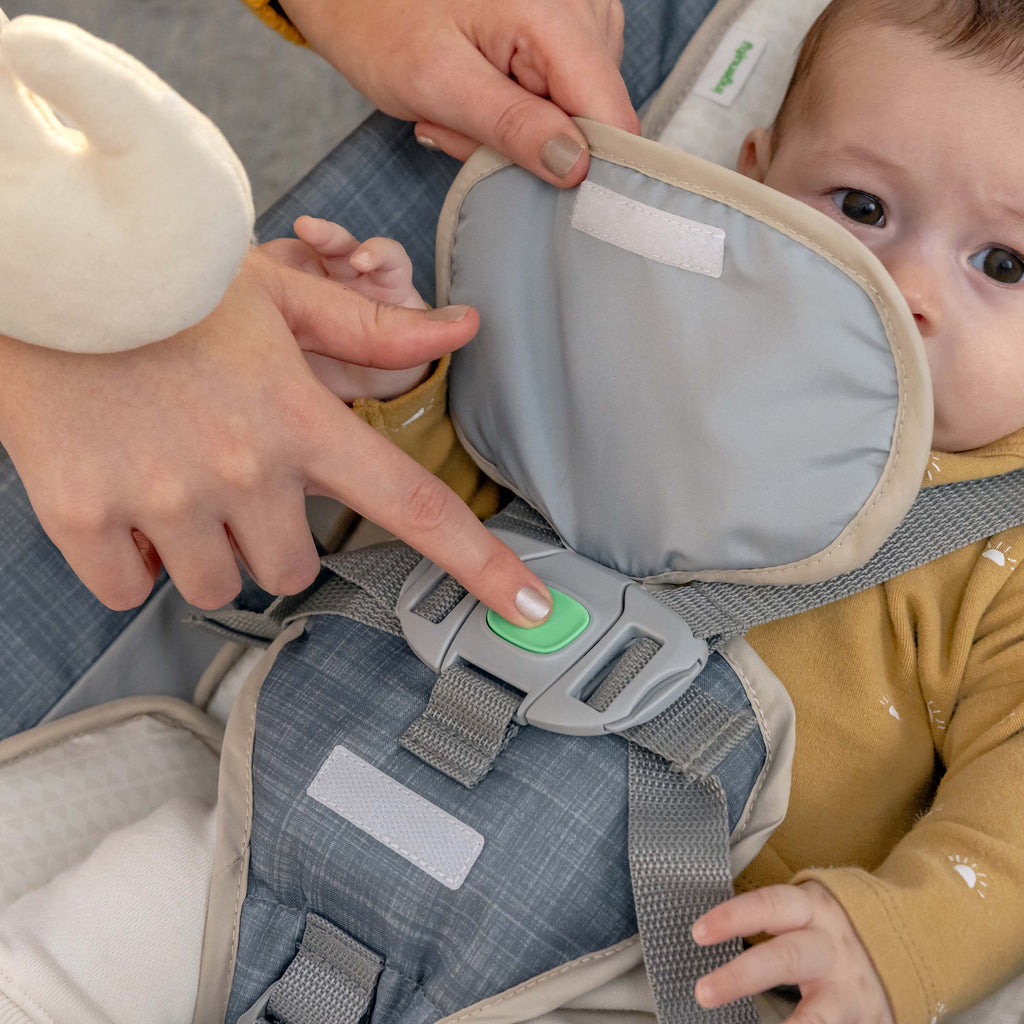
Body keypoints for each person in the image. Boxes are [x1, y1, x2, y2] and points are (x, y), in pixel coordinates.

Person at [251, 2, 1024, 1021]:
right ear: (748, 187)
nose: (905, 287)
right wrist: (393, 385)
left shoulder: (993, 558)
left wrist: (898, 937)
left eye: (1003, 263)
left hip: (653, 954)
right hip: (357, 789)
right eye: (861, 206)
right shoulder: (642, 350)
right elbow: (462, 511)